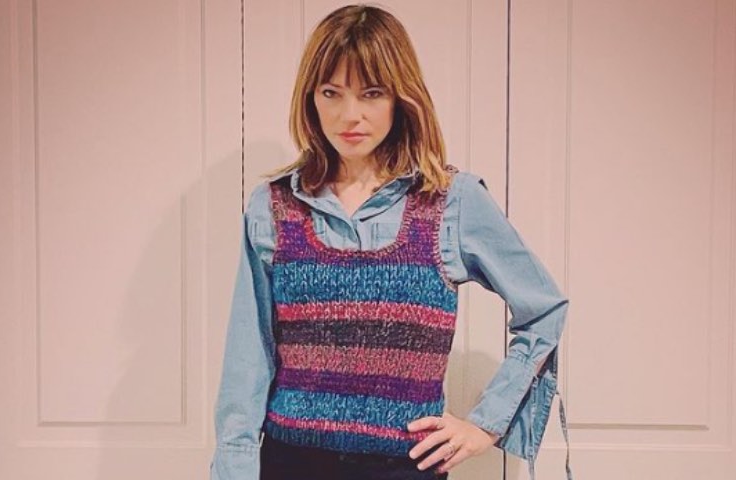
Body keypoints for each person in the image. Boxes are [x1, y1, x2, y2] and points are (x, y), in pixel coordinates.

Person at [210, 4, 572, 480]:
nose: (350, 115)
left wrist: (486, 425)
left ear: (402, 98)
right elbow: (248, 356)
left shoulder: (451, 201)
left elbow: (544, 309)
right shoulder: (274, 206)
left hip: (405, 467)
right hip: (289, 462)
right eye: (331, 93)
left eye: (372, 93)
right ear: (310, 98)